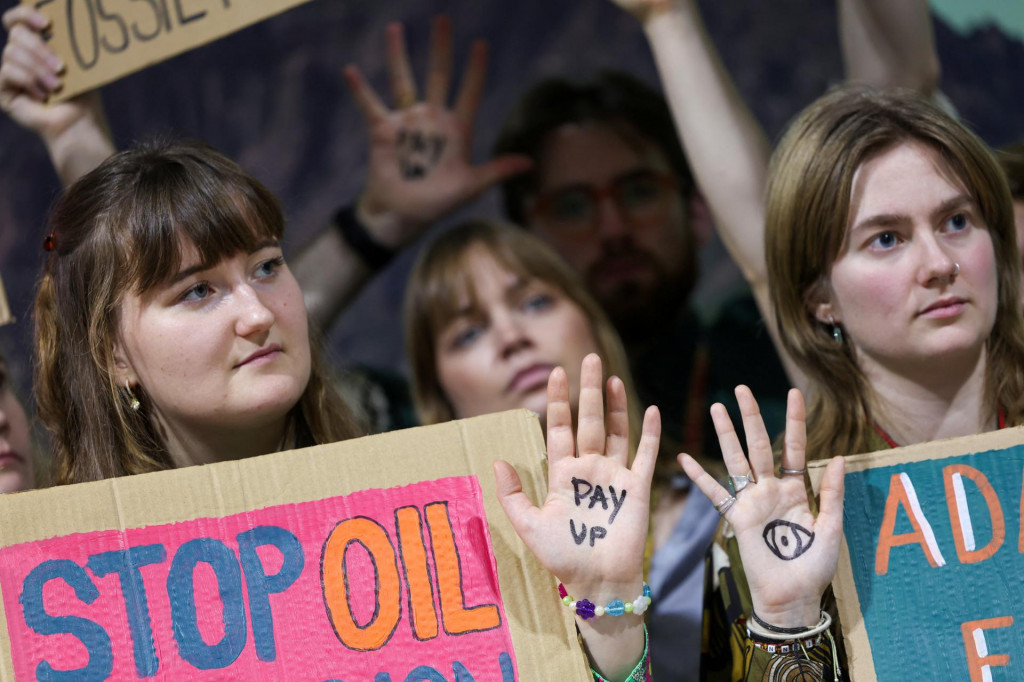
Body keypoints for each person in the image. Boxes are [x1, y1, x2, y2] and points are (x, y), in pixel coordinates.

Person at [32, 138, 656, 681]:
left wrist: (609, 613)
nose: (257, 313)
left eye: (268, 266)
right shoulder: (58, 606)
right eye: (198, 290)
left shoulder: (450, 517)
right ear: (112, 355)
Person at [676, 85, 1023, 680]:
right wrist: (787, 617)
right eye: (886, 239)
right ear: (820, 299)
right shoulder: (783, 515)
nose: (940, 263)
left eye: (957, 221)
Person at [404, 219, 720, 681]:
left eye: (534, 302)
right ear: (439, 395)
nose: (511, 337)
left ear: (592, 322)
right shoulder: (429, 588)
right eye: (468, 333)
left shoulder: (726, 515)